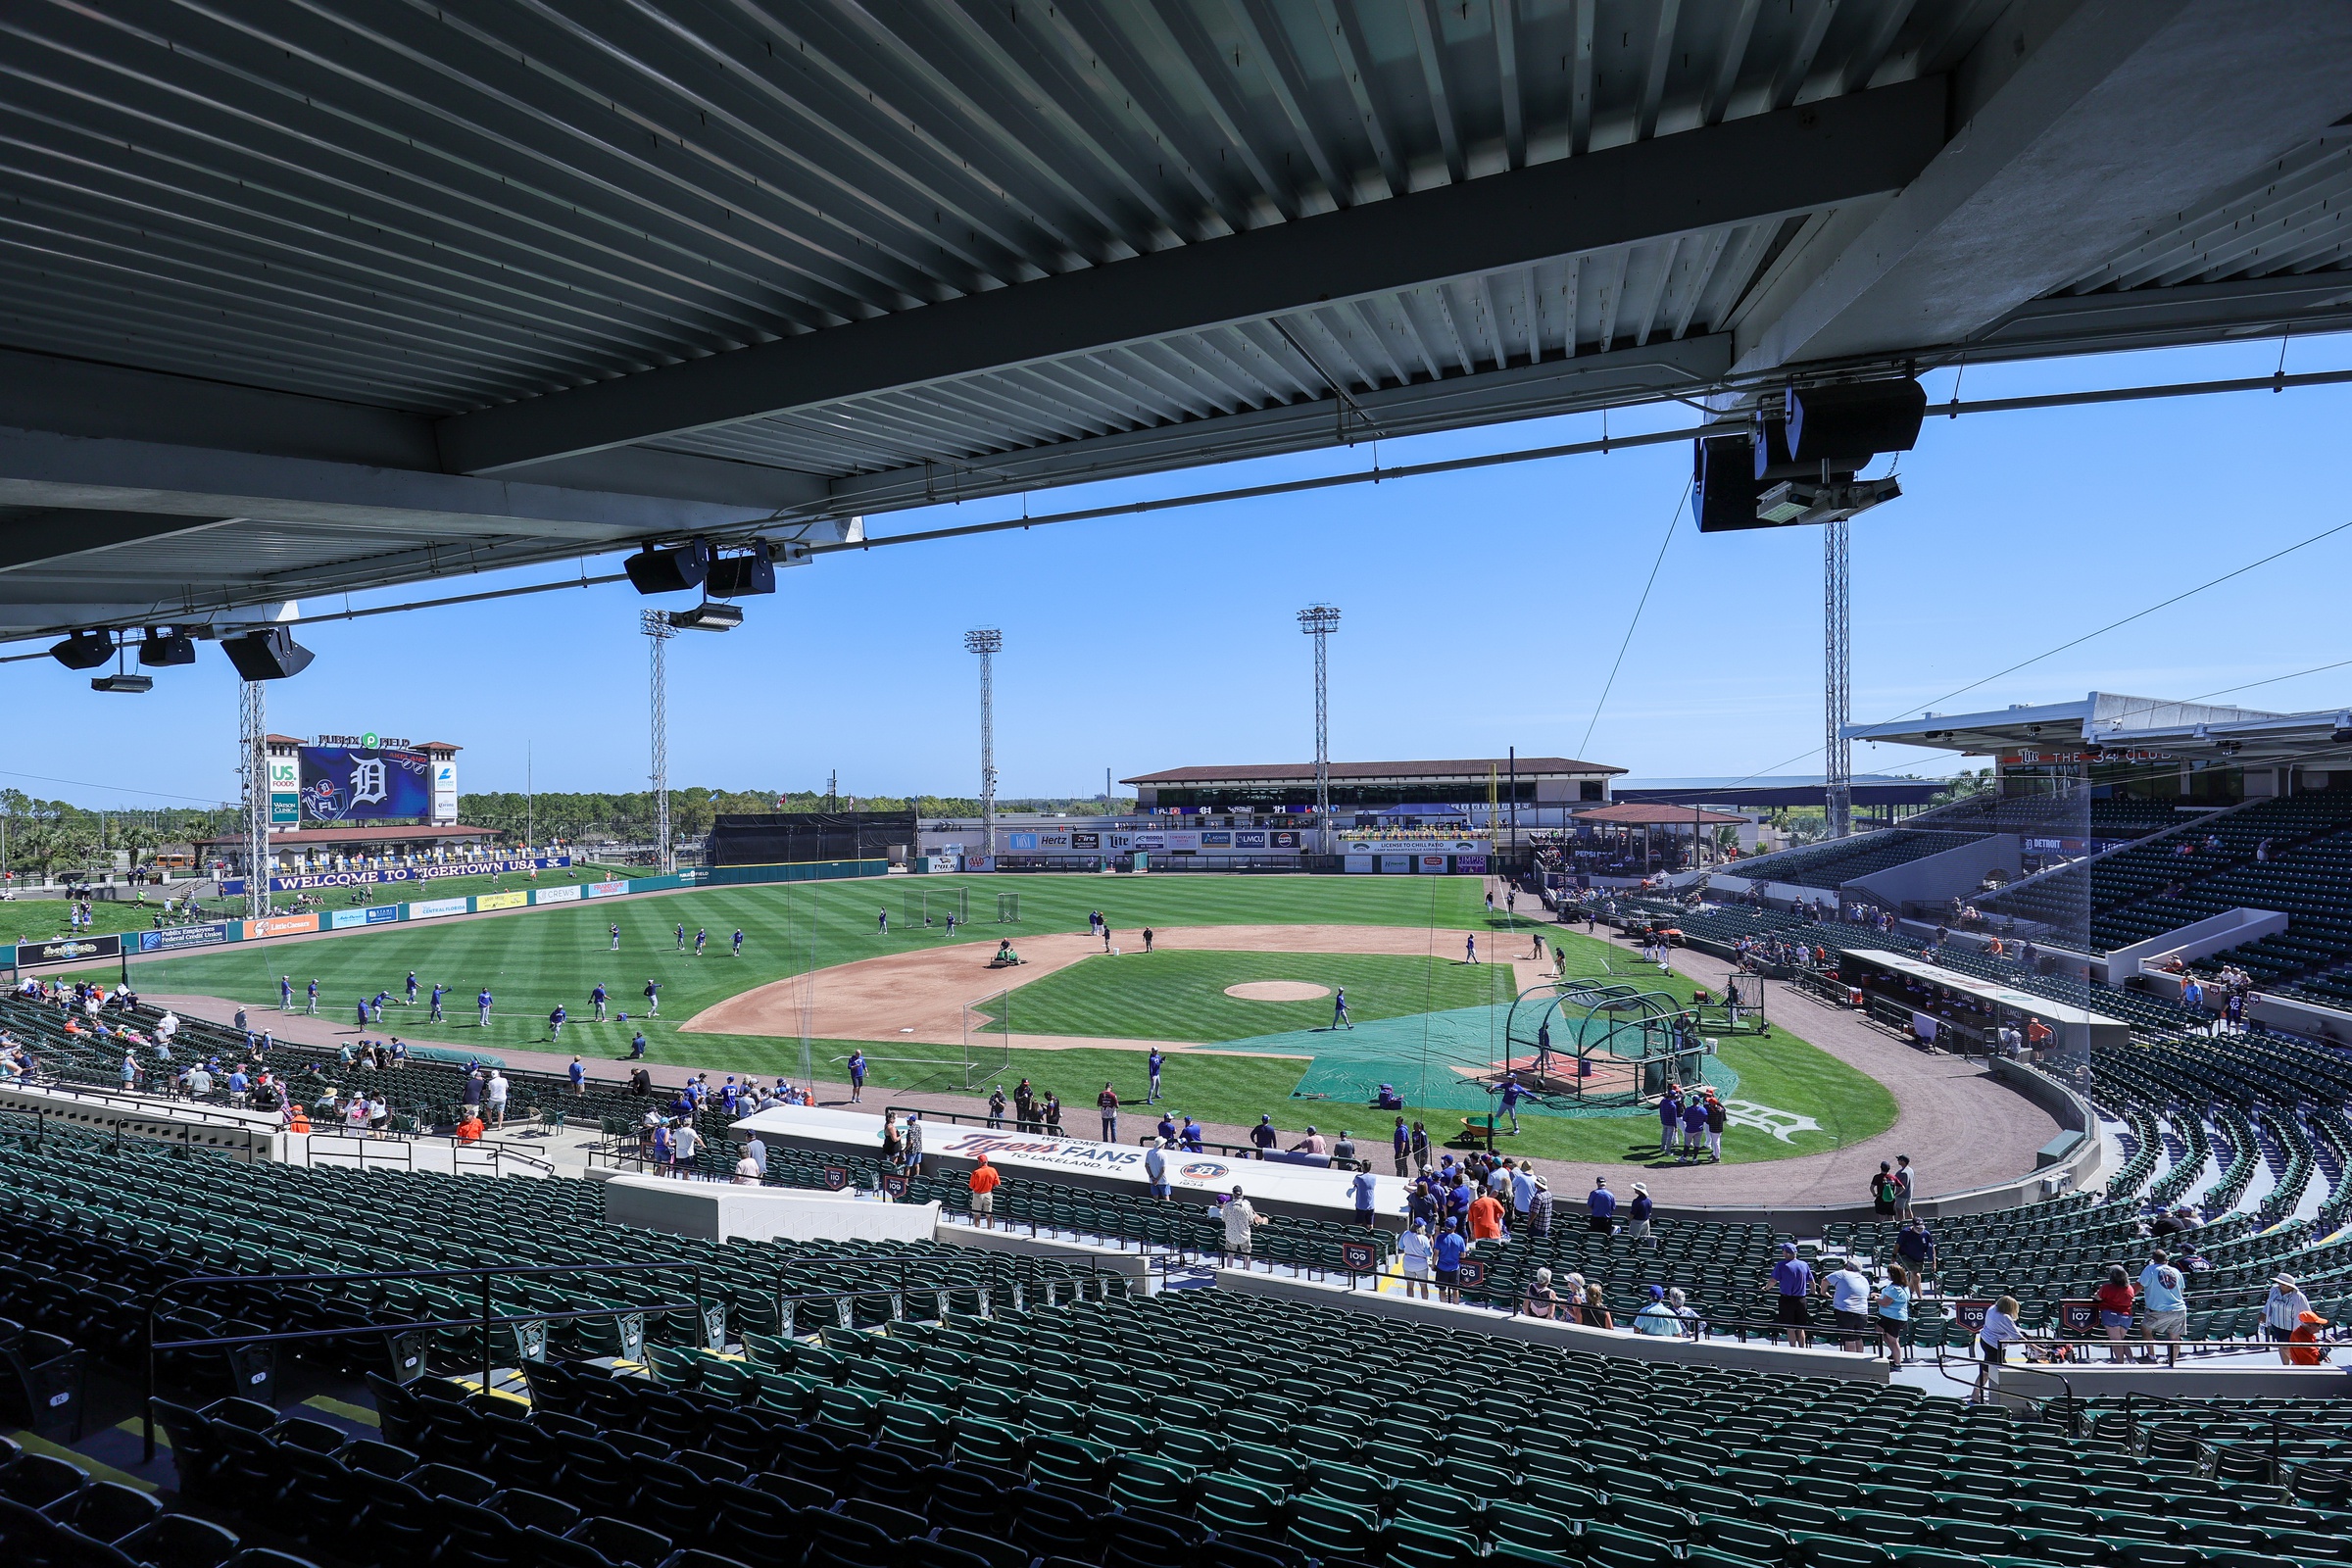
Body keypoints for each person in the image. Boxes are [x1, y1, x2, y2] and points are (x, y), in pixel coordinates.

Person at [1972, 1295, 2025, 1404]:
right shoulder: (2004, 1318)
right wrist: (2038, 1348)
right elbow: (2018, 1337)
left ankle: (1997, 1394)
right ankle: (1976, 1395)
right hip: (1994, 1346)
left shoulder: (1992, 1308)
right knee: (1987, 1372)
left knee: (1999, 1369)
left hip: (1986, 1341)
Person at [2137, 1250, 2188, 1365]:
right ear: (2167, 1259)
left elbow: (2139, 1286)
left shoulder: (2149, 1269)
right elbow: (2181, 1291)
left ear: (2153, 1259)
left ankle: (2151, 1357)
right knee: (2175, 1337)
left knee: (2145, 1329)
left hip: (2159, 1311)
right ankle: (2172, 1361)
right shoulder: (2176, 1271)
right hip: (2179, 1309)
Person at [1826, 1255, 1873, 1353]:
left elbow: (1825, 1281)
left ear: (1849, 1268)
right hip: (1862, 1314)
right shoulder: (1864, 1279)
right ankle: (1860, 1361)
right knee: (1858, 1337)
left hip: (1846, 1313)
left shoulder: (1843, 1273)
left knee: (1849, 1340)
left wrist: (1823, 1292)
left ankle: (1852, 1364)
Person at [1772, 1243, 1815, 1348]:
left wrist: (1766, 1288)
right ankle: (1802, 1349)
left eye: (1783, 1251)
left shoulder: (1781, 1265)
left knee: (1790, 1328)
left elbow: (1773, 1280)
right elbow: (1812, 1282)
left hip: (1787, 1300)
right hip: (1801, 1300)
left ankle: (1793, 1349)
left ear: (1786, 1253)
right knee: (1800, 1328)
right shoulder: (1804, 1264)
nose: (1782, 1252)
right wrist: (1813, 1292)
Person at [2266, 1273, 2314, 1364]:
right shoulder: (2274, 1290)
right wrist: (2264, 1313)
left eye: (2282, 1284)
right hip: (2277, 1324)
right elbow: (2269, 1303)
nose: (2280, 1285)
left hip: (2291, 1327)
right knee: (2281, 1346)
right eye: (2279, 1283)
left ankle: (2298, 1363)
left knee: (2288, 1347)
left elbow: (2307, 1312)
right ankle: (2286, 1366)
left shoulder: (2299, 1297)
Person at [2093, 1264, 2136, 1362]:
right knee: (2120, 1340)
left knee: (2116, 1342)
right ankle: (2131, 1360)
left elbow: (2098, 1298)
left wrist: (2096, 1293)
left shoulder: (2107, 1287)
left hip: (2111, 1316)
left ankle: (2120, 1364)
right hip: (2126, 1317)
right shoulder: (2130, 1288)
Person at [1222, 1185, 1265, 1265]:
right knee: (1247, 1255)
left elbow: (1224, 1219)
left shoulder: (1227, 1206)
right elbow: (1251, 1221)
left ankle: (1228, 1271)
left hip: (1230, 1235)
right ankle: (1247, 1272)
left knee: (1230, 1254)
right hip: (1244, 1235)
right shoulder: (1247, 1207)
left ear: (1233, 1194)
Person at [1433, 1221, 1469, 1303]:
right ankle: (1455, 1307)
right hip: (1454, 1269)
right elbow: (1463, 1255)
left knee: (1442, 1290)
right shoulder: (1459, 1239)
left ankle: (1444, 1307)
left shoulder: (1440, 1238)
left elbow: (1435, 1254)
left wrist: (1433, 1265)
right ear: (1455, 1227)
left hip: (1442, 1268)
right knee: (1455, 1290)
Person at [1397, 1219, 1434, 1299]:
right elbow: (1429, 1254)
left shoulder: (1406, 1234)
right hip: (1421, 1265)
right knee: (1423, 1286)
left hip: (1408, 1264)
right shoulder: (1423, 1238)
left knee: (1410, 1286)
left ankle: (1411, 1304)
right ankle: (1425, 1304)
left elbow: (1400, 1246)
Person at [967, 1152, 1001, 1227]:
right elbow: (997, 1183)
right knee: (989, 1215)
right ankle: (989, 1230)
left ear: (979, 1162)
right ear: (987, 1161)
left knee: (977, 1215)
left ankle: (977, 1231)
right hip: (988, 1194)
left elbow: (971, 1186)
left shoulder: (976, 1172)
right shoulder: (993, 1170)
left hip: (977, 1195)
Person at [1894, 1153, 1917, 1218]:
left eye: (1899, 1160)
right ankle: (1912, 1223)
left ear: (1903, 1161)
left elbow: (1898, 1184)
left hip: (1901, 1196)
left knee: (1900, 1211)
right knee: (1908, 1210)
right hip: (1909, 1194)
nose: (1898, 1161)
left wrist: (1896, 1194)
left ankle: (1902, 1225)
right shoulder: (1910, 1170)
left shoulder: (1901, 1172)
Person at [902, 1111, 923, 1176]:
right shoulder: (918, 1126)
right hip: (918, 1149)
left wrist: (904, 1150)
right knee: (917, 1165)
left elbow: (910, 1142)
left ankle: (906, 1182)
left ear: (911, 1121)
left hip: (911, 1151)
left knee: (908, 1167)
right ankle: (916, 1180)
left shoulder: (911, 1129)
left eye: (908, 1120)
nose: (907, 1121)